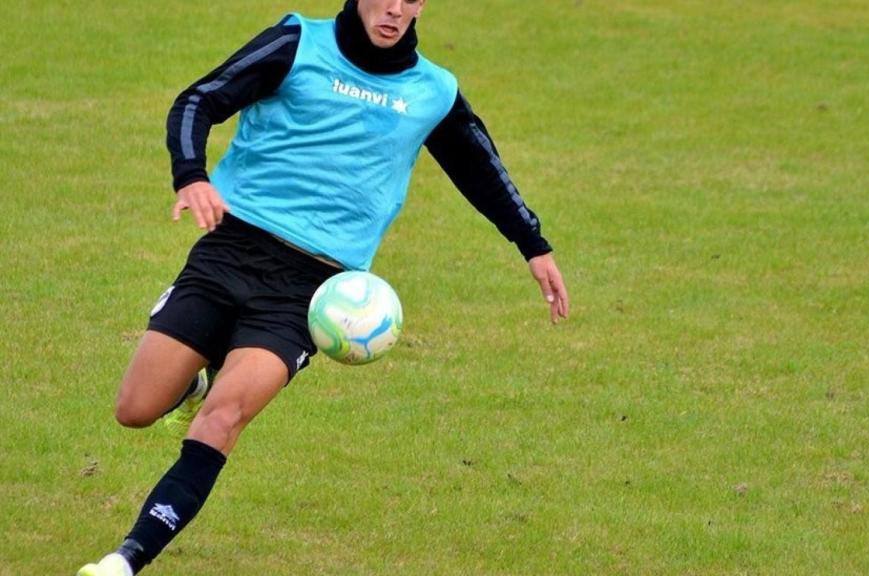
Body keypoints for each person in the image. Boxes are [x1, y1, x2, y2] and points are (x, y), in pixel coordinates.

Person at [76, 0, 569, 574]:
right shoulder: (296, 45)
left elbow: (476, 163)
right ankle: (194, 378)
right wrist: (191, 175)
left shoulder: (432, 90)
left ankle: (125, 559)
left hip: (313, 289)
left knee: (223, 419)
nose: (394, 9)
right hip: (231, 250)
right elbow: (198, 100)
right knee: (135, 410)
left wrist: (531, 242)